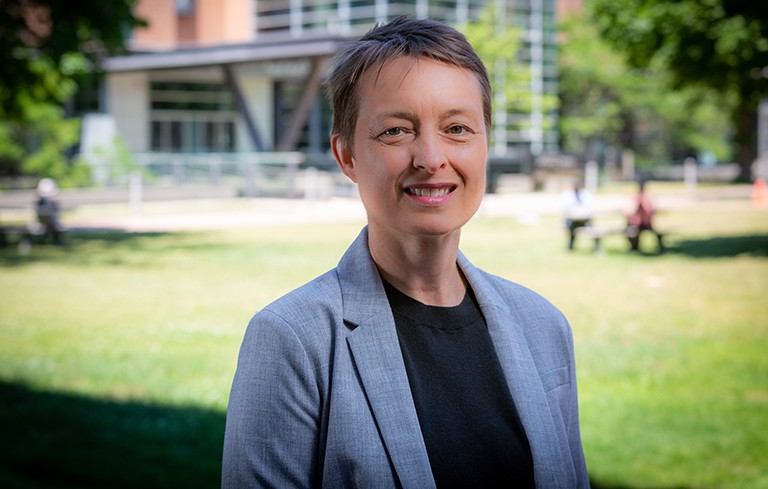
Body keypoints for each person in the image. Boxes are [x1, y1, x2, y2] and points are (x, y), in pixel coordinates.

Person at [222, 17, 589, 489]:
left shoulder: (545, 326)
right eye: (396, 132)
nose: (431, 157)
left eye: (458, 128)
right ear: (346, 156)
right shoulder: (293, 340)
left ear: (485, 146)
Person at [626, 180, 663, 252]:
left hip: (643, 224)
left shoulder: (644, 197)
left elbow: (653, 210)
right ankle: (634, 247)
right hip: (641, 224)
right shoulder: (642, 197)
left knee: (630, 229)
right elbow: (629, 211)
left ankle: (634, 247)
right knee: (630, 230)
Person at [561, 179, 594, 251]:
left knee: (593, 228)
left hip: (584, 219)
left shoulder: (585, 194)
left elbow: (590, 207)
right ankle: (570, 245)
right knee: (571, 227)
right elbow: (565, 208)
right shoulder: (567, 194)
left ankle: (596, 246)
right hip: (572, 220)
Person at [33, 178, 64, 245]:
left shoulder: (40, 201)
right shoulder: (46, 201)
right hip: (49, 223)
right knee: (54, 225)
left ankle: (56, 239)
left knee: (55, 225)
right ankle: (57, 239)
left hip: (48, 223)